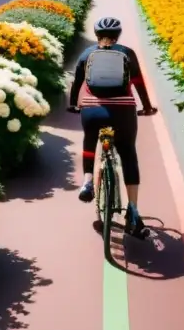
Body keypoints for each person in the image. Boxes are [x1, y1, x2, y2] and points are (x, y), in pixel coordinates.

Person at [67, 17, 157, 238]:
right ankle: (133, 212)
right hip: (123, 111)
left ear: (97, 35)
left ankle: (88, 181)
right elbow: (138, 83)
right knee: (128, 153)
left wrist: (72, 105)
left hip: (92, 110)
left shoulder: (87, 55)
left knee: (89, 139)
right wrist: (147, 107)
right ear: (118, 35)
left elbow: (77, 82)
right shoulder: (127, 53)